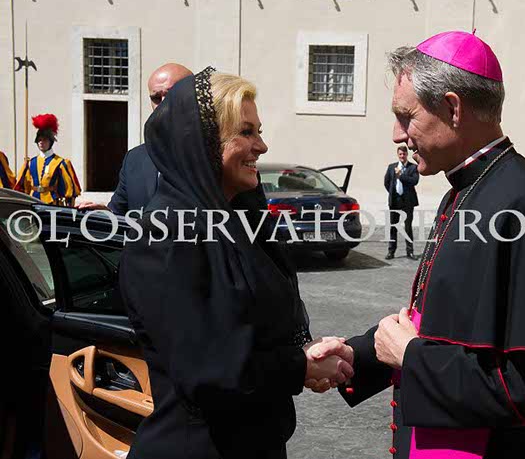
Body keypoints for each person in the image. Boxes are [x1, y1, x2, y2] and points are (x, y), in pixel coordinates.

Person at [313, 31, 525, 458]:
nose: (397, 134)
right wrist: (356, 356)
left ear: (453, 108)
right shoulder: (466, 189)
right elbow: (440, 326)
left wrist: (411, 357)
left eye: (406, 116)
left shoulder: (524, 203)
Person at [119, 68, 353, 459]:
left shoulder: (237, 225)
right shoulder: (165, 236)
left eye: (258, 131)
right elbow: (209, 371)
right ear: (203, 142)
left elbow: (254, 331)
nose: (261, 145)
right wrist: (300, 367)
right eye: (246, 132)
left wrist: (307, 353)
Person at [76, 63, 193, 214]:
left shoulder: (217, 155)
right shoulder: (135, 159)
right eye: (156, 98)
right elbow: (119, 212)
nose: (163, 104)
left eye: (172, 95)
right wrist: (104, 214)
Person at [14, 114, 81, 206]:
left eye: (44, 140)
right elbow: (25, 185)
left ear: (51, 142)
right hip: (33, 201)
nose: (41, 142)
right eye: (39, 140)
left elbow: (69, 188)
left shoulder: (60, 162)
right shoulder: (31, 163)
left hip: (52, 202)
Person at [384, 145, 419, 260]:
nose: (402, 156)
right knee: (393, 227)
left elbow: (414, 181)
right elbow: (386, 182)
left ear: (407, 154)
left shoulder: (413, 167)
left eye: (404, 154)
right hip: (395, 201)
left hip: (408, 201)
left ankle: (410, 251)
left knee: (408, 227)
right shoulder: (391, 167)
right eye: (400, 154)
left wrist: (401, 176)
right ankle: (391, 251)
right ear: (398, 155)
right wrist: (393, 193)